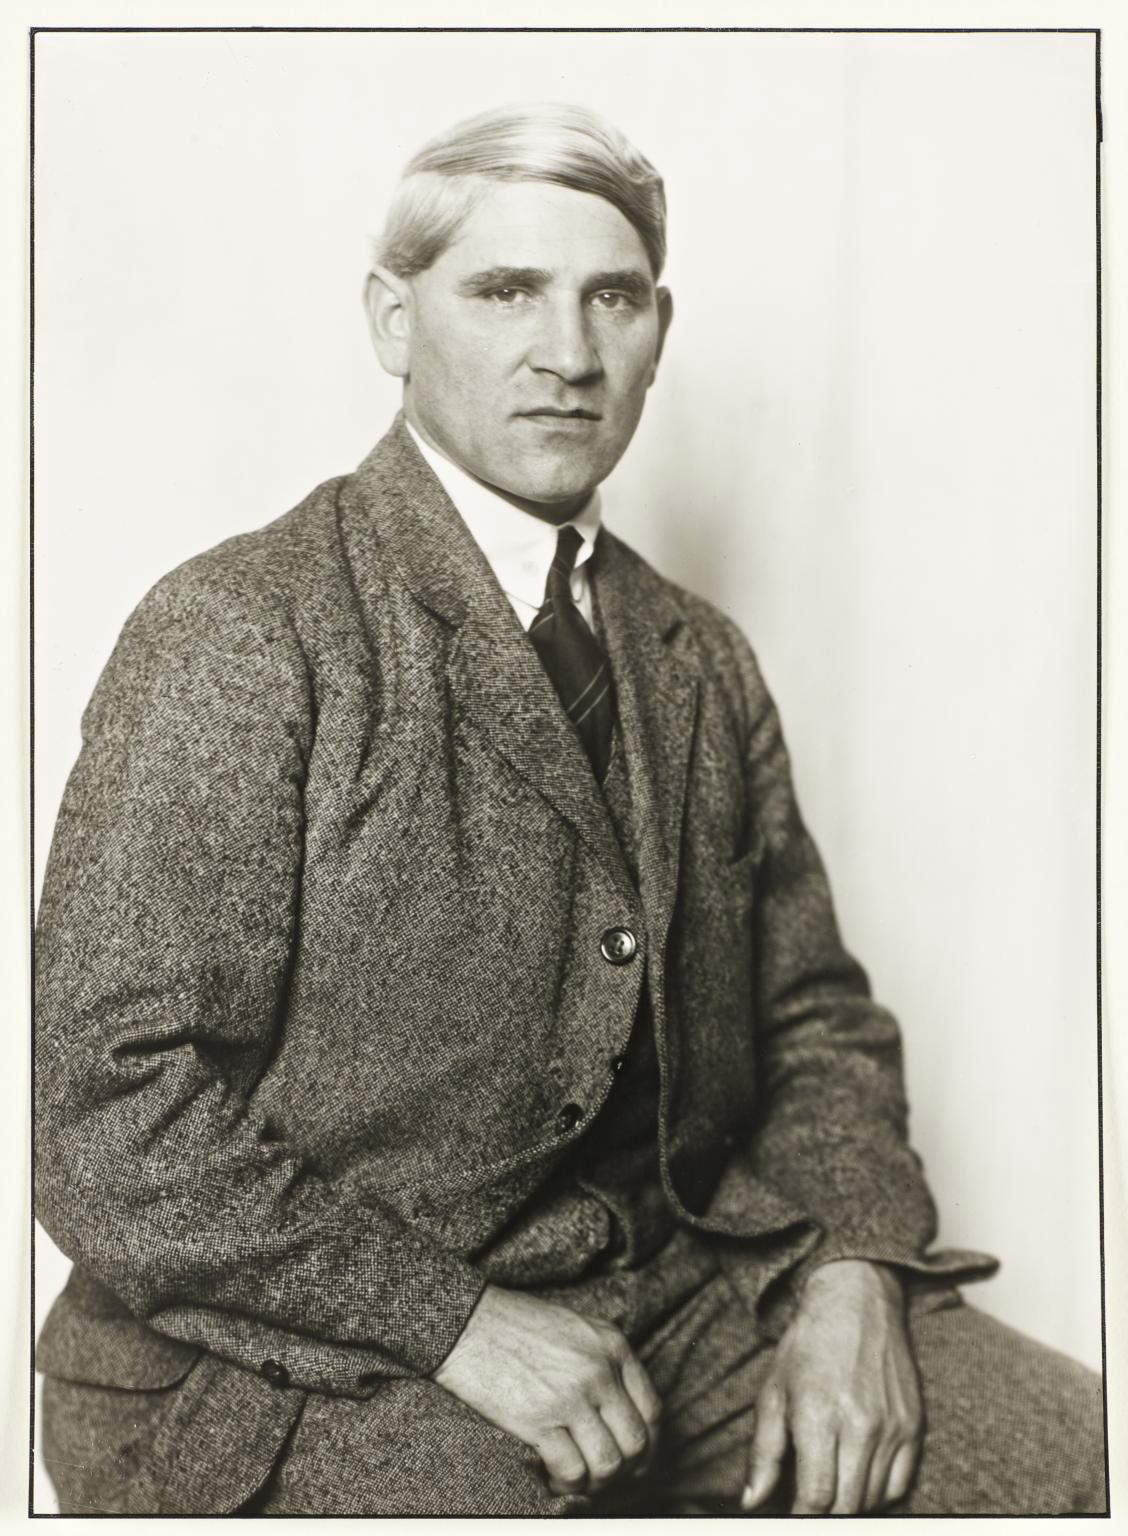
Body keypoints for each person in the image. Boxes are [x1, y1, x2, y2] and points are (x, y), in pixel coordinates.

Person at [34, 102, 1105, 1517]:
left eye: (612, 297)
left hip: (682, 1289)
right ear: (392, 321)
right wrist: (453, 1325)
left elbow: (812, 1022)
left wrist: (851, 1270)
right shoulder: (243, 630)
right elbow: (103, 1115)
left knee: (1078, 1460)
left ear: (659, 329)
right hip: (298, 1354)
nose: (570, 352)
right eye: (504, 291)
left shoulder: (696, 653)